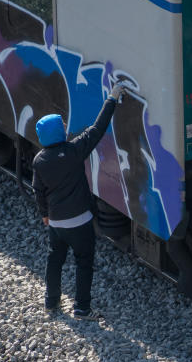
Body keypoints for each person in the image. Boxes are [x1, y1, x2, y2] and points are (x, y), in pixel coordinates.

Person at [33, 83, 126, 319]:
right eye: (61, 124)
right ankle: (82, 308)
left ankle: (51, 302)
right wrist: (112, 99)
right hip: (81, 222)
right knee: (83, 263)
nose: (65, 126)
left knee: (54, 261)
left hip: (57, 224)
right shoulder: (74, 151)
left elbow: (38, 190)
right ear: (57, 132)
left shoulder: (40, 161)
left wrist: (45, 213)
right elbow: (97, 128)